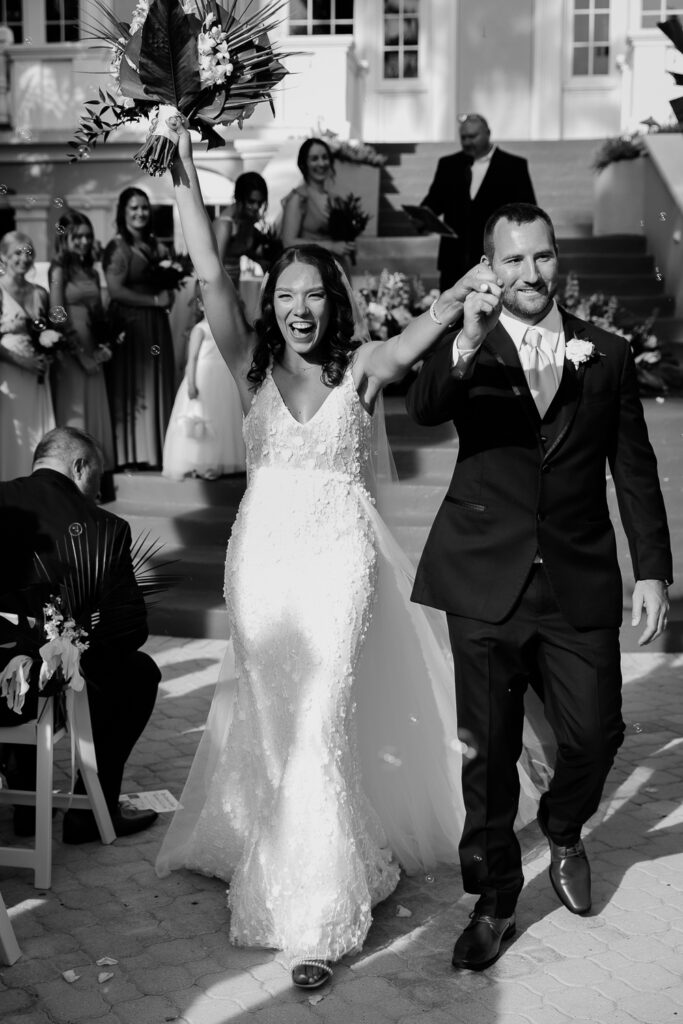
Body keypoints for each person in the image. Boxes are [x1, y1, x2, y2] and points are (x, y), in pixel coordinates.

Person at [155, 116, 545, 990]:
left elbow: (426, 336)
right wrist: (183, 171)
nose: (298, 308)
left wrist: (470, 288)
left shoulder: (361, 367)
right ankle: (282, 845)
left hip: (337, 561)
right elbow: (211, 270)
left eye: (313, 295)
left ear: (334, 301)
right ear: (273, 304)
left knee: (321, 715)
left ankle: (322, 915)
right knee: (275, 718)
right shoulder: (249, 361)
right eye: (286, 295)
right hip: (260, 562)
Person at [406, 202, 672, 971]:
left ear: (559, 261)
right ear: (490, 266)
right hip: (482, 576)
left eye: (542, 258)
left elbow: (632, 469)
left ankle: (561, 828)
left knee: (596, 734)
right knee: (485, 756)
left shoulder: (608, 354)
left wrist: (649, 568)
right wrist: (460, 333)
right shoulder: (473, 346)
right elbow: (424, 410)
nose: (530, 273)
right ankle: (492, 902)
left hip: (576, 579)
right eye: (513, 260)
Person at [0, 426, 161, 843]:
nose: (98, 491)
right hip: (45, 687)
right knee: (137, 673)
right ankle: (90, 812)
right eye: (97, 477)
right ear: (79, 465)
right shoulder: (105, 527)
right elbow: (130, 630)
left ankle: (24, 795)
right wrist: (74, 653)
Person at [103, 187, 175, 469]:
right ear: (123, 211)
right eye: (134, 208)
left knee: (156, 381)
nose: (140, 213)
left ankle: (157, 449)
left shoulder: (156, 245)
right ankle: (131, 454)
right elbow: (115, 291)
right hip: (131, 325)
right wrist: (155, 299)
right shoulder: (117, 247)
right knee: (132, 386)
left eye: (144, 207)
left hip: (156, 324)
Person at [421, 114, 536, 291]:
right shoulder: (449, 165)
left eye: (472, 136)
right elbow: (433, 203)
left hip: (495, 257)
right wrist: (421, 217)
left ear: (488, 133)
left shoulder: (513, 166)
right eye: (463, 137)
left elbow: (527, 212)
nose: (467, 142)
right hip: (453, 259)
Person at [48, 209, 115, 471]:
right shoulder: (58, 268)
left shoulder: (92, 272)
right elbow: (56, 312)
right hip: (71, 351)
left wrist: (104, 345)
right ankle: (71, 474)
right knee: (75, 413)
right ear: (64, 239)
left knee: (94, 410)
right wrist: (81, 355)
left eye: (88, 236)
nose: (85, 242)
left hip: (92, 350)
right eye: (78, 237)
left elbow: (99, 314)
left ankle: (93, 475)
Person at [162, 287, 246, 479]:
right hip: (203, 378)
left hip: (223, 379)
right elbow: (191, 359)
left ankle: (218, 462)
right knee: (202, 417)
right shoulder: (199, 329)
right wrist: (191, 382)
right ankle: (199, 461)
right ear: (200, 305)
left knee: (222, 418)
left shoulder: (227, 328)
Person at [0, 231, 56, 480]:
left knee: (37, 431)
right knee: (13, 431)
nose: (24, 258)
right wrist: (24, 362)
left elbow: (48, 331)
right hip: (8, 374)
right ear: (3, 256)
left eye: (28, 252)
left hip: (37, 377)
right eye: (16, 253)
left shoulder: (39, 293)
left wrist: (49, 351)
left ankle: (34, 484)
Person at [280, 137, 356, 275]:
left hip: (337, 269)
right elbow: (288, 242)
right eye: (314, 159)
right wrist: (331, 246)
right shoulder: (299, 198)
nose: (321, 163)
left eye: (325, 157)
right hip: (311, 271)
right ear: (304, 164)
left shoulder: (335, 199)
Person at [214, 171, 270, 288]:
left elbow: (242, 249)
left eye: (259, 202)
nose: (256, 207)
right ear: (239, 198)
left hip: (233, 285)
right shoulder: (224, 224)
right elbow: (214, 271)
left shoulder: (246, 220)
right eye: (251, 201)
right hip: (218, 287)